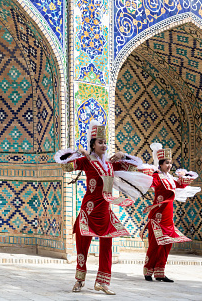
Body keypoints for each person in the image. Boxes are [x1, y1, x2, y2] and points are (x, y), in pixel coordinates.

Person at [55, 120, 152, 295]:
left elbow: (137, 165)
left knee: (106, 247)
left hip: (105, 210)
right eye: (100, 142)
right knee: (82, 246)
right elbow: (63, 164)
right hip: (89, 210)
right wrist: (79, 152)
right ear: (92, 145)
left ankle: (102, 282)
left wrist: (123, 155)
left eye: (105, 142)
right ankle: (79, 280)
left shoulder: (110, 164)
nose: (104, 145)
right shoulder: (86, 161)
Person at [142, 143, 200, 283]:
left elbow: (184, 183)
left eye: (170, 163)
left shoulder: (171, 179)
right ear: (160, 164)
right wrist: (152, 173)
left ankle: (160, 272)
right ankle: (148, 270)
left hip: (168, 216)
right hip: (157, 216)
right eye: (167, 163)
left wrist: (185, 174)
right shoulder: (157, 176)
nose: (169, 166)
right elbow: (150, 181)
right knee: (155, 244)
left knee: (167, 244)